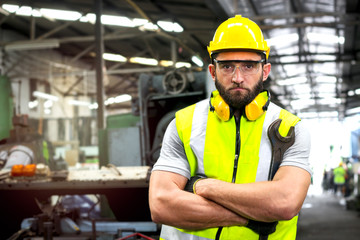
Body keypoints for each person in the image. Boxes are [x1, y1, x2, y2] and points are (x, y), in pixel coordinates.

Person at [149, 15, 312, 240]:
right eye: (227, 66)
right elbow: (161, 205)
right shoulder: (182, 124)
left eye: (248, 66)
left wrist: (204, 186)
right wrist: (253, 217)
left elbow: (284, 203)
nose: (237, 77)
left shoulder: (291, 129)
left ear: (265, 71)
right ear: (213, 72)